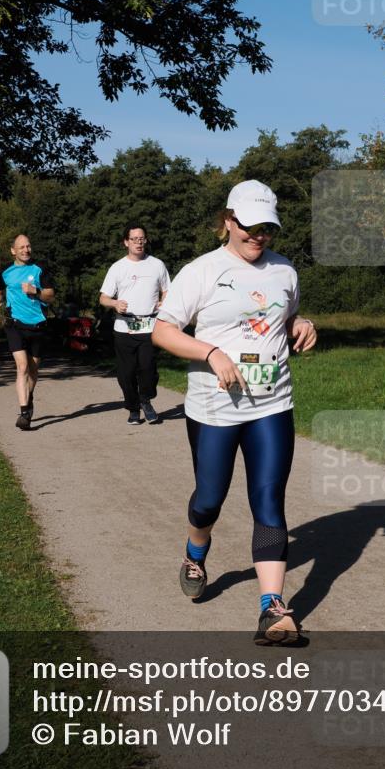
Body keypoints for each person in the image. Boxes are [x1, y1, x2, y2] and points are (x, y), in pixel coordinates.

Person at [152, 180, 317, 645]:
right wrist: (210, 353)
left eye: (267, 228)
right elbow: (163, 332)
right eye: (249, 226)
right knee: (209, 499)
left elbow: (283, 320)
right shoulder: (201, 271)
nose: (258, 236)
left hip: (272, 403)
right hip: (213, 409)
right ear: (228, 221)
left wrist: (302, 324)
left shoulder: (284, 270)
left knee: (268, 500)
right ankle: (194, 553)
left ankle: (272, 607)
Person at [99, 225, 170, 425]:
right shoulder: (118, 267)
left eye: (142, 238)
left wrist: (164, 301)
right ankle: (133, 408)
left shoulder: (157, 265)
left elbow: (167, 290)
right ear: (126, 242)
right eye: (134, 239)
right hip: (124, 327)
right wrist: (115, 303)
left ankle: (145, 399)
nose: (138, 242)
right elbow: (103, 298)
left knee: (148, 369)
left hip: (150, 326)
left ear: (146, 241)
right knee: (126, 373)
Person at [0, 234, 55, 431]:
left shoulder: (39, 270)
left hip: (38, 325)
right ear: (13, 250)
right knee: (22, 366)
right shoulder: (6, 272)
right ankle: (24, 412)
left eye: (28, 246)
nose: (26, 250)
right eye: (22, 247)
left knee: (33, 370)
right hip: (14, 324)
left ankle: (29, 396)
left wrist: (36, 291)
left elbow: (50, 295)